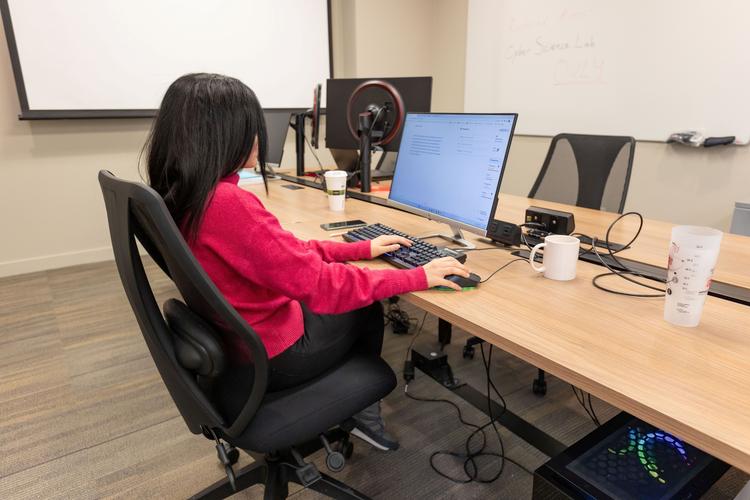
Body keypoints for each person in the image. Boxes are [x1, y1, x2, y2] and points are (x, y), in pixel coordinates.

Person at [145, 73, 471, 451]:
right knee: (364, 308)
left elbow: (284, 253)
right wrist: (419, 275)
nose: (258, 136)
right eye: (250, 126)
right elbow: (325, 288)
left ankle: (354, 408)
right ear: (224, 134)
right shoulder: (228, 204)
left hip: (239, 339)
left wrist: (361, 250)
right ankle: (361, 413)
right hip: (274, 351)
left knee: (356, 296)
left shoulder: (185, 195)